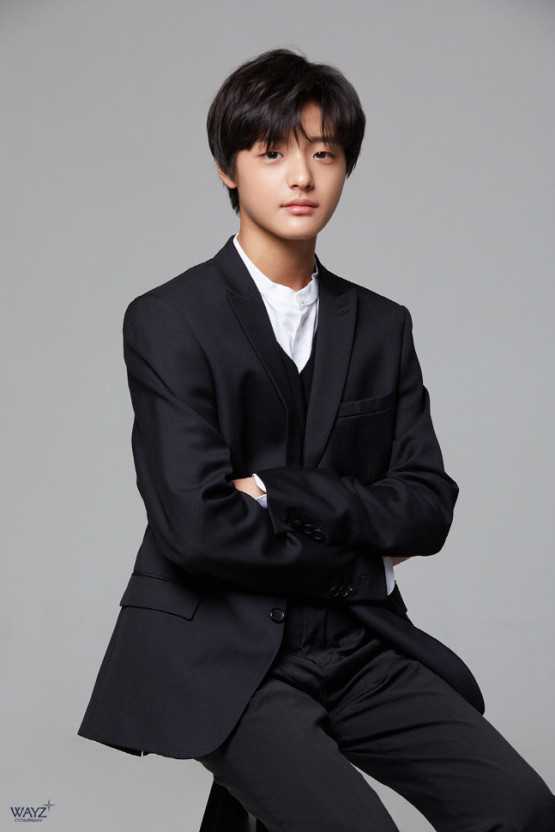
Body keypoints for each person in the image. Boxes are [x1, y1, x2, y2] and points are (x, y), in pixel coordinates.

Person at [78, 48, 554, 831]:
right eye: (272, 153)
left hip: (359, 646)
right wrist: (362, 559)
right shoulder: (169, 319)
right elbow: (195, 527)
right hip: (224, 656)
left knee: (520, 808)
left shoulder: (380, 325)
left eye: (323, 154)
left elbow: (426, 506)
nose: (301, 177)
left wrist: (280, 492)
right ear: (228, 169)